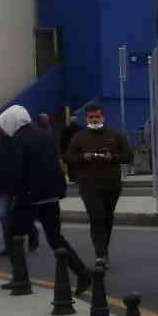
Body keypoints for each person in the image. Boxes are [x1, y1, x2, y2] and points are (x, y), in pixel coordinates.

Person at [0, 105, 92, 296]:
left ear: (11, 122)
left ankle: (21, 281)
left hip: (29, 196)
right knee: (55, 237)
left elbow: (16, 171)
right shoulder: (45, 135)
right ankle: (83, 274)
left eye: (2, 124)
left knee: (13, 235)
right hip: (50, 195)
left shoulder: (17, 141)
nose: (1, 129)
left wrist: (9, 191)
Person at [65, 102, 134, 268]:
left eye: (97, 116)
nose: (95, 119)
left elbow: (128, 156)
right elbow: (69, 157)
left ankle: (104, 250)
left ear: (102, 116)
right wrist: (84, 157)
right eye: (91, 117)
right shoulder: (79, 136)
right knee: (97, 217)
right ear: (86, 118)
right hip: (88, 185)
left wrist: (113, 157)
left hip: (112, 184)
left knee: (107, 218)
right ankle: (100, 255)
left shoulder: (116, 135)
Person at [0, 117, 41, 258]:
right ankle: (9, 246)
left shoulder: (18, 140)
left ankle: (32, 232)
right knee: (4, 216)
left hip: (18, 186)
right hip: (2, 186)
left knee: (20, 215)